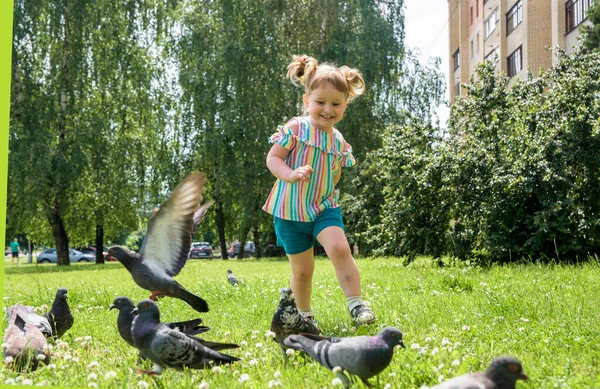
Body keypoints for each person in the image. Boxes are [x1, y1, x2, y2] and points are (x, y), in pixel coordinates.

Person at [263, 55, 376, 326]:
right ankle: (304, 315)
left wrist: (326, 190)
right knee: (303, 270)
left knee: (339, 247)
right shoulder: (296, 129)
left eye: (336, 103)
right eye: (320, 102)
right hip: (290, 212)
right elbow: (273, 159)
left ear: (345, 105)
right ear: (307, 102)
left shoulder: (338, 140)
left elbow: (334, 173)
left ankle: (357, 304)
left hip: (324, 207)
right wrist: (290, 174)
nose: (328, 109)